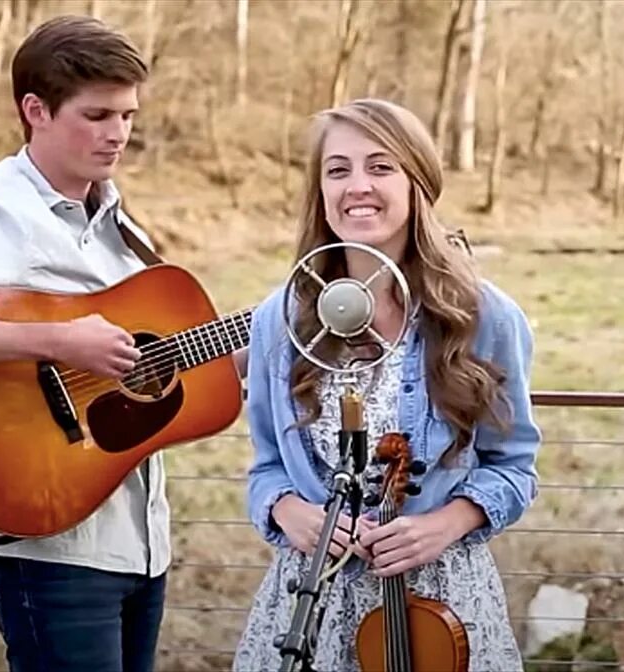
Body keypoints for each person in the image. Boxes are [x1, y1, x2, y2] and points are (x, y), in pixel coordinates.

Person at [0, 15, 228, 672]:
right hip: (48, 546)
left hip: (140, 540)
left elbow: (162, 367)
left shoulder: (125, 229)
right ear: (35, 109)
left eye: (127, 114)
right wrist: (57, 339)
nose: (118, 133)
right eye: (97, 115)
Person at [233, 99, 540, 671]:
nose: (358, 186)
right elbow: (265, 467)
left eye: (380, 167)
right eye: (338, 170)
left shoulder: (484, 316)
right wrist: (286, 510)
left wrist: (443, 524)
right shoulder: (281, 318)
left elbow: (515, 467)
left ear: (416, 182)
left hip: (440, 609)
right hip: (308, 607)